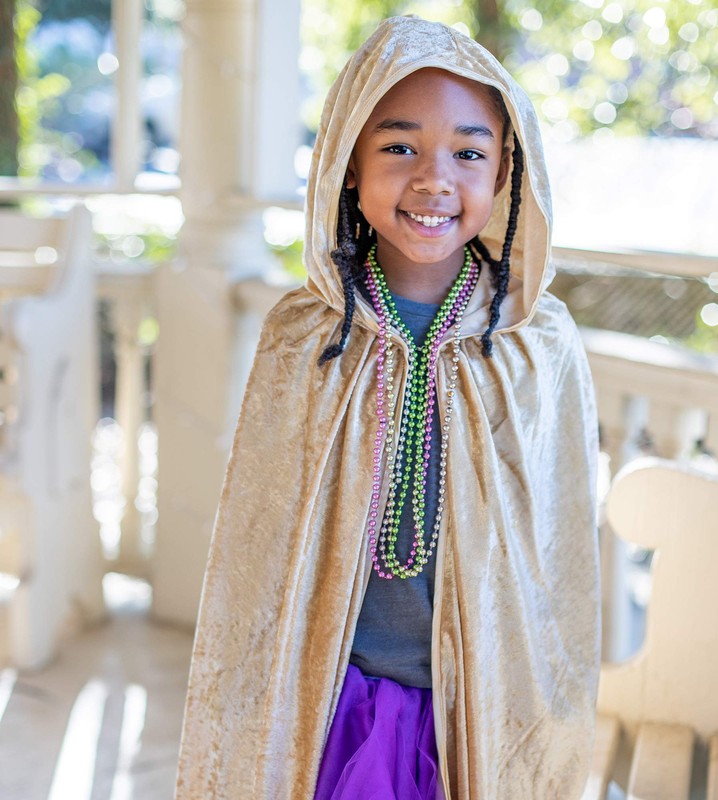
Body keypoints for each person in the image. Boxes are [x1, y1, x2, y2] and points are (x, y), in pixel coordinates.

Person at [175, 15, 600, 800]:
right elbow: (259, 555)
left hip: (473, 709)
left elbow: (556, 556)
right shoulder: (306, 335)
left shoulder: (534, 342)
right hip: (331, 701)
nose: (434, 180)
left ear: (505, 172)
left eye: (468, 153)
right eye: (400, 147)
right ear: (348, 163)